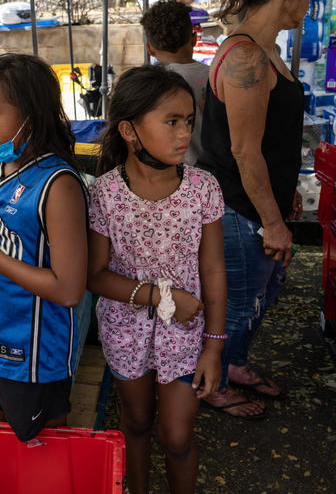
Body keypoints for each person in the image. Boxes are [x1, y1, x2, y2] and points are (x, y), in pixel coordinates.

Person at [87, 65, 226, 494]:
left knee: (178, 437)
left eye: (188, 121)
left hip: (186, 332)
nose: (184, 133)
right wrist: (162, 295)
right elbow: (95, 275)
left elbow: (214, 270)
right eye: (171, 122)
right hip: (125, 331)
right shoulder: (105, 193)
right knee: (137, 422)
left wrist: (215, 347)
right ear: (129, 131)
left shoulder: (203, 188)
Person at [196, 0, 311, 419]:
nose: (307, 5)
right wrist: (273, 221)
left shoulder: (265, 51)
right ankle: (216, 383)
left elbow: (271, 142)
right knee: (236, 306)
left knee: (260, 299)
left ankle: (236, 366)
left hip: (260, 209)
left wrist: (287, 195)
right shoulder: (244, 57)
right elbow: (244, 152)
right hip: (240, 212)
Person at [0, 53, 89, 443]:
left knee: (42, 448)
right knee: (4, 438)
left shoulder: (58, 185)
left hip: (32, 355)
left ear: (31, 115)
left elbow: (69, 290)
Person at [140, 0, 210, 165]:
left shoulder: (145, 85)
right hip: (212, 174)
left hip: (166, 176)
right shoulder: (216, 76)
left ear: (149, 49)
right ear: (194, 39)